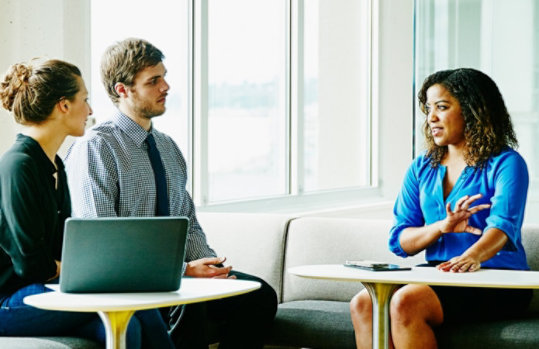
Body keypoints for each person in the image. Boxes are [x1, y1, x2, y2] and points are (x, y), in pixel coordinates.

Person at [64, 38, 278, 349]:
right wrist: (185, 272)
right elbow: (105, 246)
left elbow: (186, 220)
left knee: (257, 296)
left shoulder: (167, 147)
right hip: (128, 284)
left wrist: (209, 266)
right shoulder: (96, 148)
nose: (166, 86)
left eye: (164, 76)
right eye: (153, 81)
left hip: (176, 277)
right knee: (189, 302)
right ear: (123, 90)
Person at [349, 68, 532, 349]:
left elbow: (503, 227)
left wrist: (471, 257)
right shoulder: (422, 167)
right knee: (364, 303)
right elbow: (401, 242)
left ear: (473, 111)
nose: (431, 117)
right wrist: (442, 227)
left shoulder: (506, 163)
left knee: (406, 302)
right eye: (428, 109)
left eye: (442, 107)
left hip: (498, 280)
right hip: (438, 274)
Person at [0, 59, 173, 348]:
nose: (90, 111)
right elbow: (30, 265)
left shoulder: (55, 165)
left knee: (132, 319)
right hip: (10, 300)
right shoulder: (19, 166)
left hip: (43, 290)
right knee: (126, 310)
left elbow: (59, 250)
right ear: (63, 105)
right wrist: (89, 274)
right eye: (85, 99)